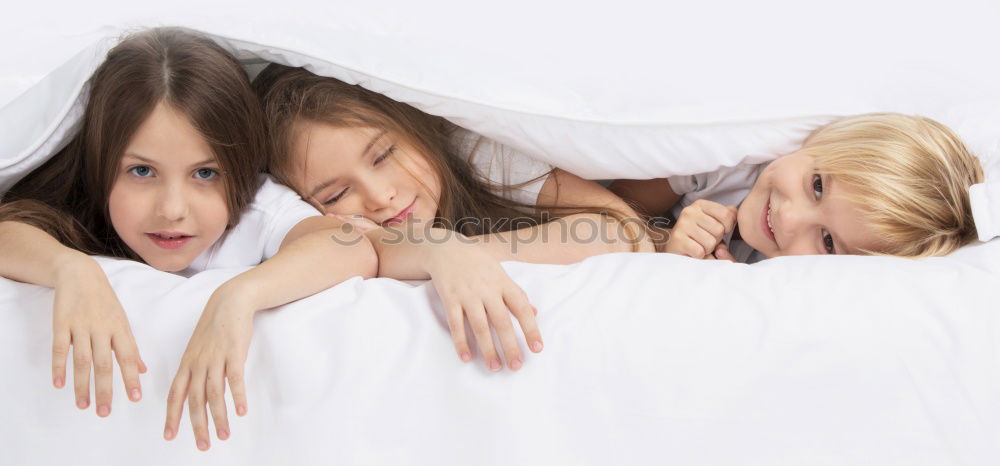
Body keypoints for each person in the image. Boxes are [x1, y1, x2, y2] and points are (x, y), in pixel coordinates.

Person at [0, 28, 377, 451]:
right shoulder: (85, 205)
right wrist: (70, 268)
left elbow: (348, 245)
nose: (173, 209)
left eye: (205, 173)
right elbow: (9, 230)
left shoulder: (254, 209)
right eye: (142, 171)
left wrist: (238, 297)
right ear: (101, 165)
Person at [253, 64, 655, 374]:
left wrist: (460, 256)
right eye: (337, 194)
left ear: (412, 127)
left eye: (383, 155)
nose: (379, 196)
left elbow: (622, 229)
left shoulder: (477, 152)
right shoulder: (337, 236)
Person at [607, 113, 985, 262]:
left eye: (828, 242)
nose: (788, 218)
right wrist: (666, 243)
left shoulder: (788, 288)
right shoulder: (722, 170)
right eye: (817, 186)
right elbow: (609, 210)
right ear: (820, 141)